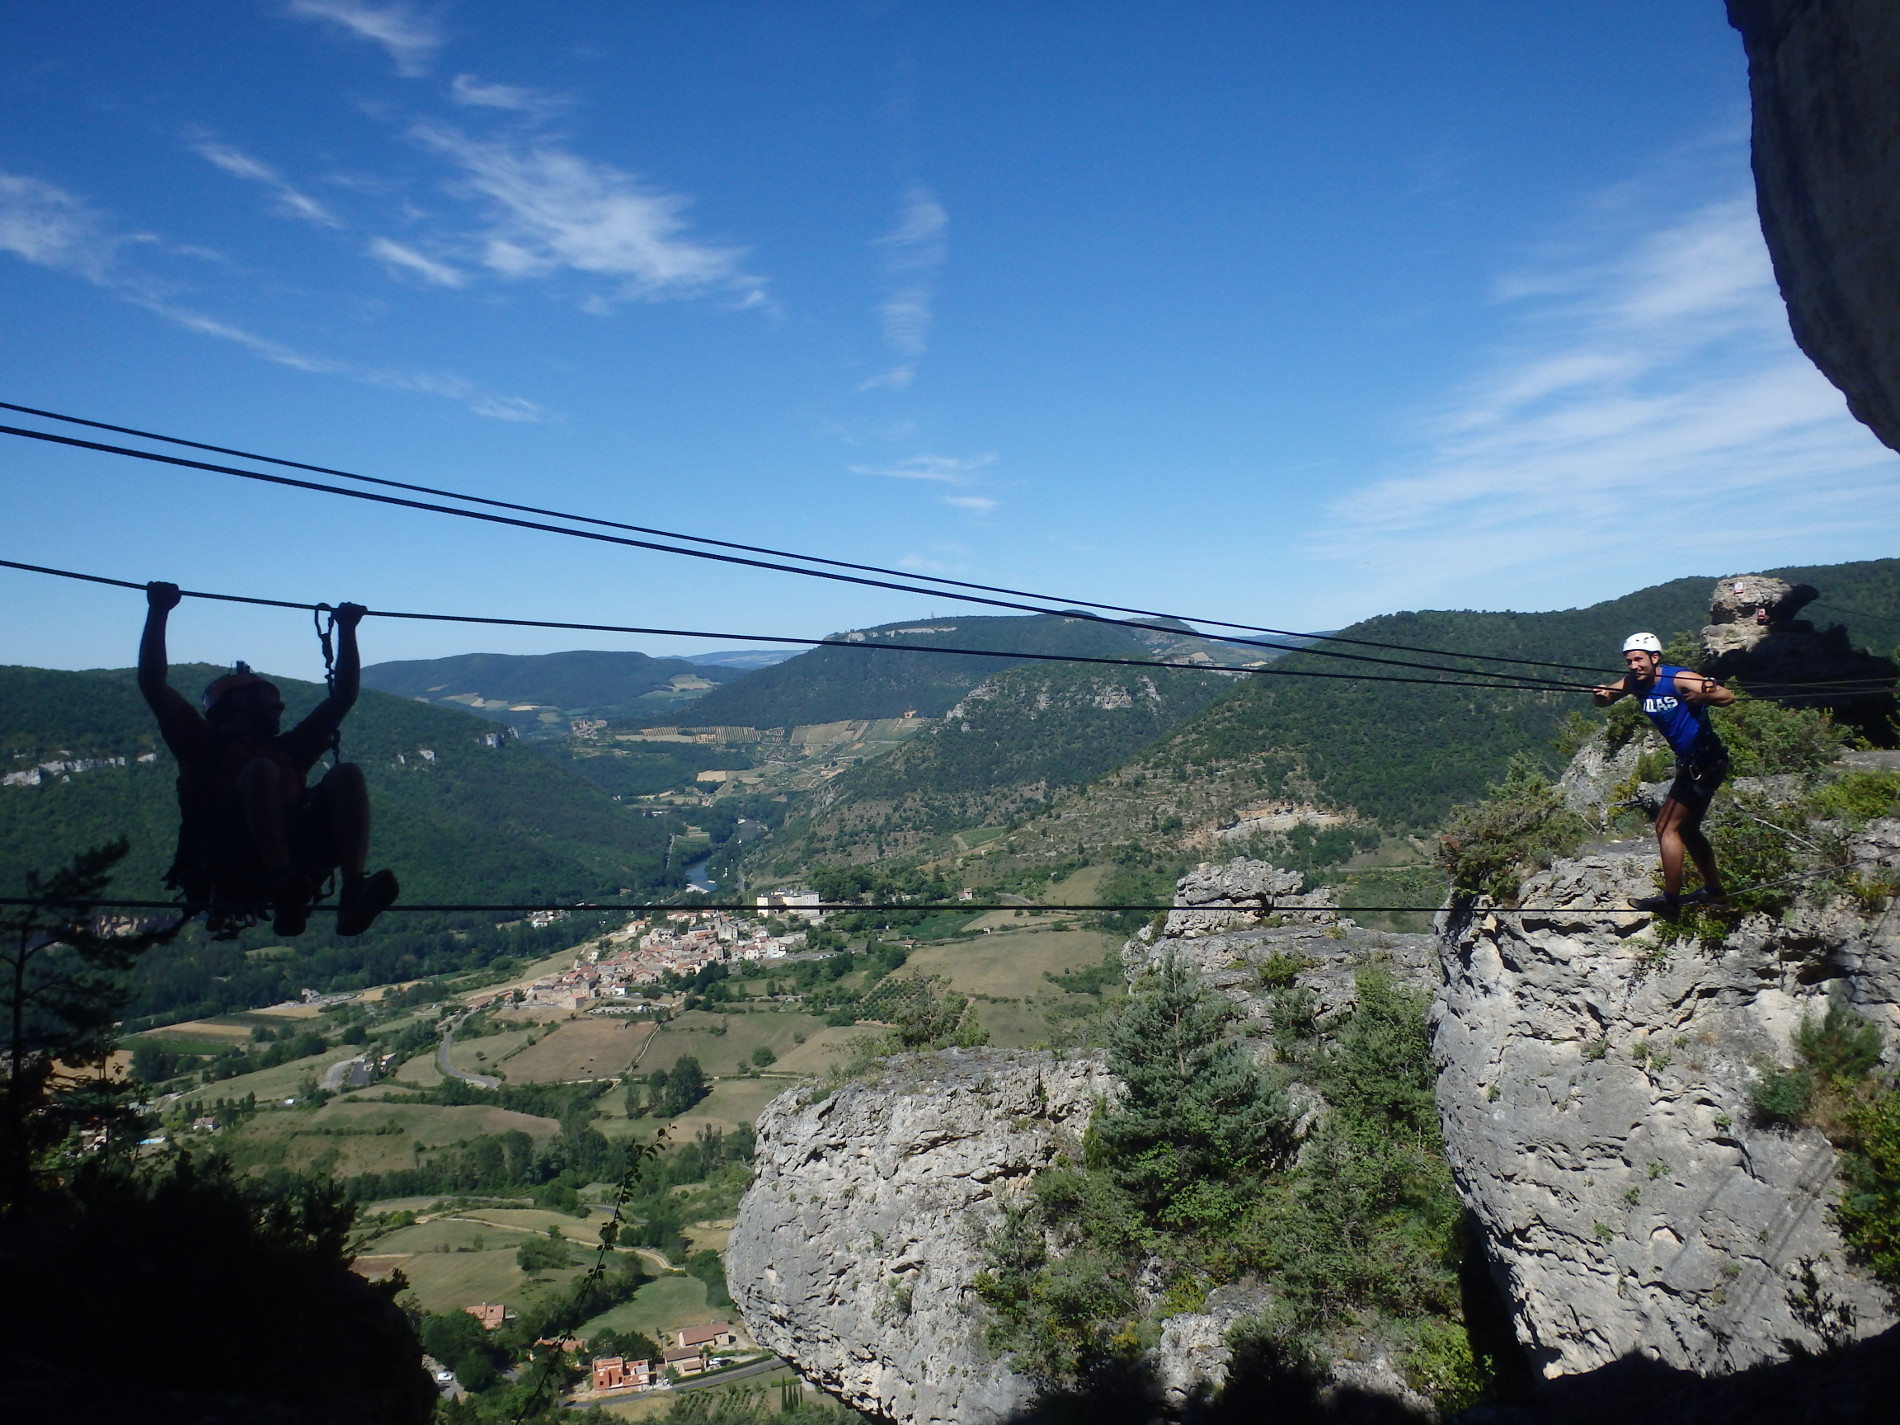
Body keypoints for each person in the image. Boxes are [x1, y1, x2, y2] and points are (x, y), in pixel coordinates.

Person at [138, 581, 399, 938]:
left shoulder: (288, 749)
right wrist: (159, 611)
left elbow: (342, 698)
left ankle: (353, 890)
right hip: (233, 856)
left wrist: (348, 631)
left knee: (346, 775)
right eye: (268, 699)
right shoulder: (201, 744)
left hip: (295, 858)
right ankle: (282, 882)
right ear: (240, 703)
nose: (279, 708)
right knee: (261, 771)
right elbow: (153, 684)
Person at [1592, 632, 1735, 914]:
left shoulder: (1678, 677)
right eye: (1629, 660)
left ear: (1655, 659)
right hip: (1696, 762)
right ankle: (1715, 892)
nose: (1633, 665)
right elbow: (1607, 698)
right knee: (1688, 829)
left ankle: (1670, 900)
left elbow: (1727, 696)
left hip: (1704, 760)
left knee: (1665, 827)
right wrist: (1600, 695)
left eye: (1638, 659)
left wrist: (1702, 695)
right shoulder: (1635, 682)